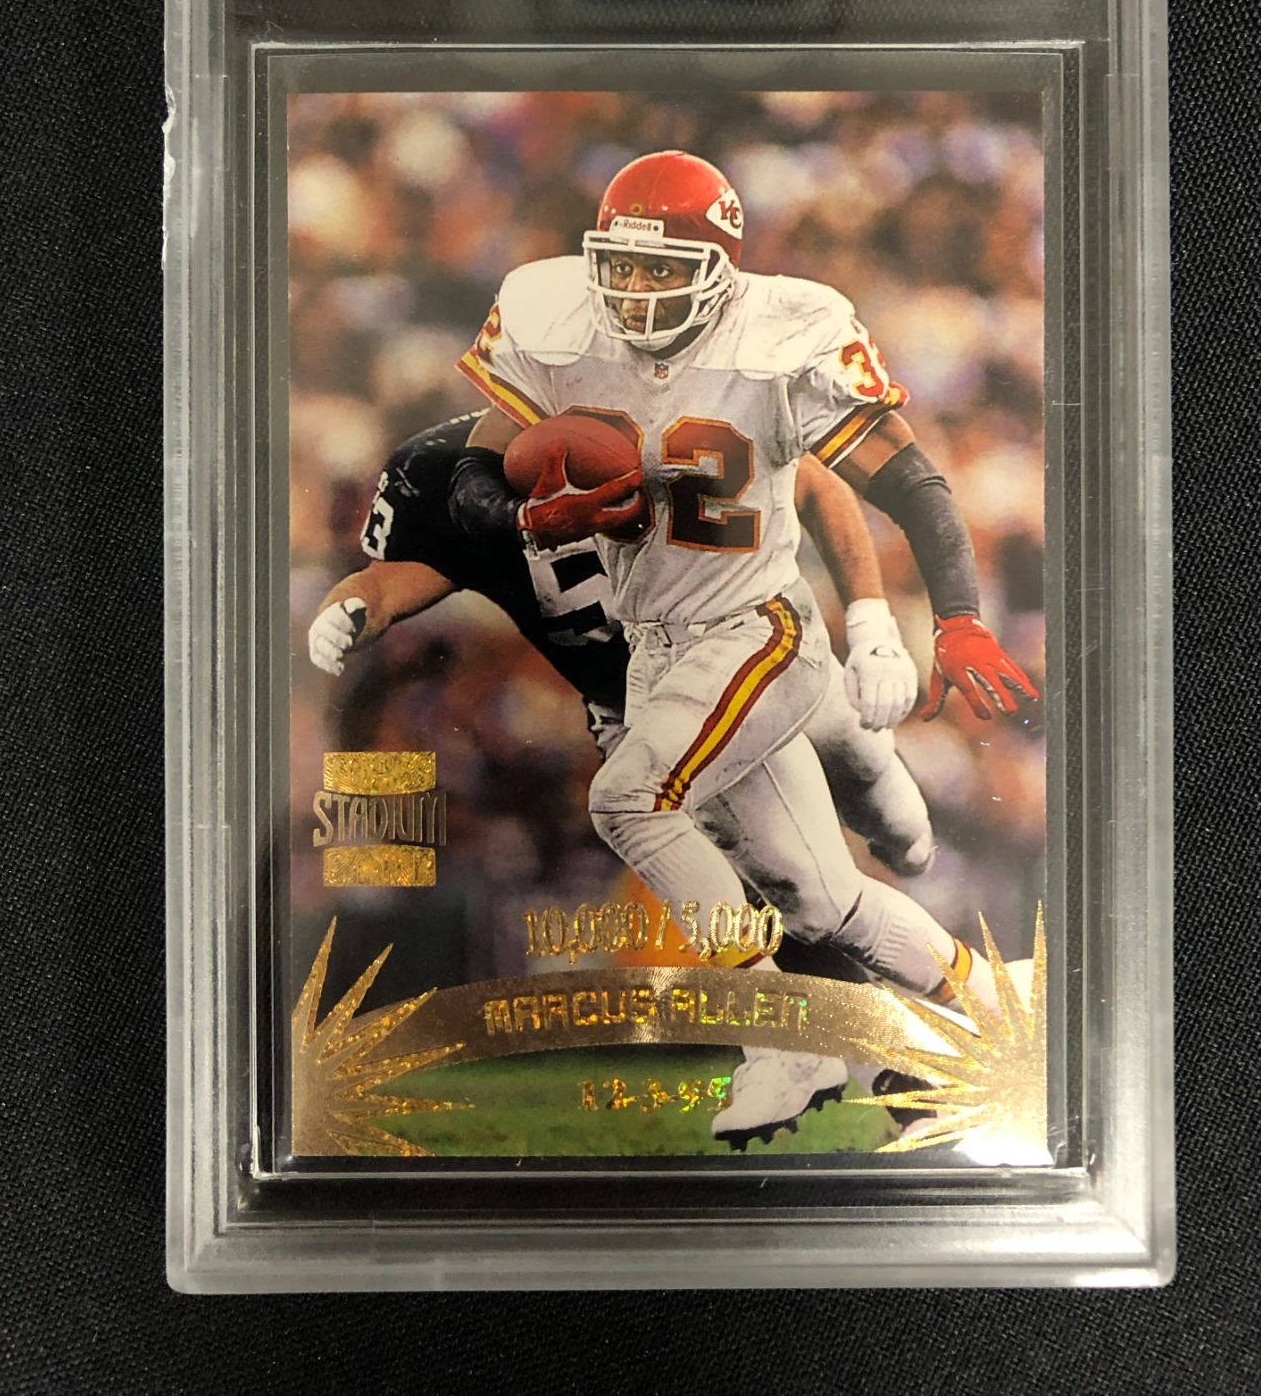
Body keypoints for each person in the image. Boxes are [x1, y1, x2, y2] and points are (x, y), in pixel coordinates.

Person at [446, 150, 1039, 1141]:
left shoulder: (780, 339)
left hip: (755, 630)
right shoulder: (555, 323)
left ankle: (784, 1040)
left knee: (629, 800)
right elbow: (473, 475)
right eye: (621, 265)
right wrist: (524, 516)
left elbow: (906, 482)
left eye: (663, 268)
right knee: (819, 900)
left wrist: (955, 616)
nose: (637, 289)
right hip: (655, 647)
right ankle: (989, 1004)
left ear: (720, 271)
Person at [310, 412, 938, 1146]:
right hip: (633, 708)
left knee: (845, 861)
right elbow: (389, 583)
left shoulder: (643, 416)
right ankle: (886, 1064)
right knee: (783, 892)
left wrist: (871, 624)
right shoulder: (452, 478)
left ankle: (895, 996)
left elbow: (814, 486)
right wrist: (348, 612)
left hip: (735, 665)